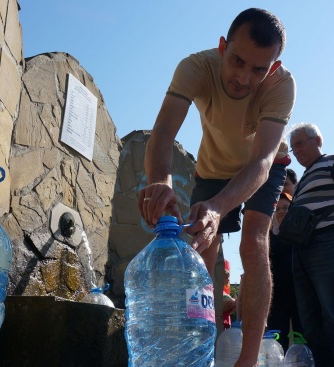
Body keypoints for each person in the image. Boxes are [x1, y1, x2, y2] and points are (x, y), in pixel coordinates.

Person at [137, 8, 296, 366]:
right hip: (212, 168)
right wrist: (160, 183)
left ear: (272, 66)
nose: (243, 77)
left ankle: (248, 359)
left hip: (264, 167)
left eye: (258, 69)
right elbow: (162, 133)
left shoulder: (282, 85)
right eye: (238, 60)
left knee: (253, 241)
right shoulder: (195, 67)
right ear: (222, 47)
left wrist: (218, 206)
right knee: (199, 247)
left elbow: (261, 161)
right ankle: (199, 351)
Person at [285, 122, 334, 367]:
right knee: (311, 321)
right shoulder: (302, 181)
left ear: (317, 139)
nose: (296, 151)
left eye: (300, 143)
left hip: (329, 242)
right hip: (301, 251)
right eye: (292, 148)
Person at [267, 183, 302, 349]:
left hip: (298, 291)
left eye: (286, 207)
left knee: (302, 334)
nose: (281, 212)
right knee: (276, 337)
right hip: (276, 294)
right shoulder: (268, 236)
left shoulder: (300, 232)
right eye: (278, 208)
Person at [222, 259, 237, 330]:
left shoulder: (224, 292)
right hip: (221, 321)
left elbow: (228, 311)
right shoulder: (215, 291)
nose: (228, 280)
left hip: (226, 320)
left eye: (228, 278)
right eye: (226, 278)